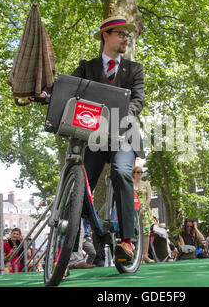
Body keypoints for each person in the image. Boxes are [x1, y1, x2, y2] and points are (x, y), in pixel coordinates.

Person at [69, 16, 146, 259]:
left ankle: (126, 241)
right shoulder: (86, 67)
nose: (126, 39)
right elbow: (67, 89)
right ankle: (70, 248)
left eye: (127, 35)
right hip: (95, 137)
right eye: (121, 34)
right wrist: (42, 93)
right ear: (106, 35)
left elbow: (138, 99)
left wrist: (125, 112)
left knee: (121, 173)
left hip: (125, 134)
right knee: (81, 182)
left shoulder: (134, 69)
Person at [132, 166, 154, 263]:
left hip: (144, 210)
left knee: (146, 232)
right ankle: (138, 255)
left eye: (141, 172)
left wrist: (143, 208)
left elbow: (149, 198)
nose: (140, 174)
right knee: (135, 232)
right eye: (138, 172)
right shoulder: (130, 184)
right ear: (133, 174)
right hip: (133, 210)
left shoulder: (146, 184)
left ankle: (145, 255)